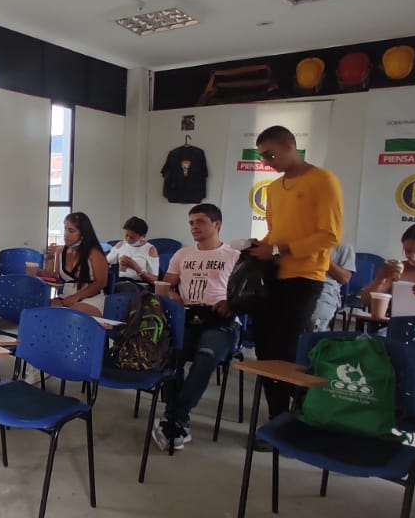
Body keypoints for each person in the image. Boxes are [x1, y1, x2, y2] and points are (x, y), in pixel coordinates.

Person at [245, 125, 343, 441]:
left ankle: (300, 416)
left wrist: (278, 249)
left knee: (286, 349)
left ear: (290, 145)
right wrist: (260, 247)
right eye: (262, 157)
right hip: (273, 277)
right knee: (264, 349)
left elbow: (329, 235)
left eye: (270, 155)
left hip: (305, 277)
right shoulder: (274, 189)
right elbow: (275, 233)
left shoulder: (323, 180)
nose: (267, 162)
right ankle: (277, 417)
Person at [152, 203, 240, 451]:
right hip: (188, 318)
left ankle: (176, 417)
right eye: (191, 223)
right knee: (170, 354)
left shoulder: (233, 256)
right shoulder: (183, 255)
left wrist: (232, 303)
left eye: (200, 221)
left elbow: (244, 294)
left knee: (206, 355)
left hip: (219, 320)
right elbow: (166, 285)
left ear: (216, 224)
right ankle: (175, 418)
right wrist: (172, 295)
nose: (194, 227)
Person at [360, 222, 415, 304]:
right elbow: (365, 300)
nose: (413, 257)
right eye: (408, 251)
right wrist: (379, 280)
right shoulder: (398, 269)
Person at [44, 212, 109, 317]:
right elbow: (56, 276)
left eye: (71, 231)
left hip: (91, 298)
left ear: (83, 233)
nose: (66, 234)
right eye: (65, 229)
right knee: (43, 309)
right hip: (67, 297)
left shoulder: (94, 253)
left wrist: (76, 297)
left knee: (70, 314)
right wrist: (50, 257)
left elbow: (101, 283)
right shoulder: (60, 251)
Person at [106, 216, 161, 293]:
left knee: (130, 288)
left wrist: (135, 267)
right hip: (122, 282)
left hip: (142, 285)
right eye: (126, 235)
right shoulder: (121, 244)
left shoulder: (150, 249)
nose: (128, 239)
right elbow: (106, 262)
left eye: (132, 237)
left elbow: (154, 279)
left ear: (143, 236)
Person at [311, 243, 356, 332]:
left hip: (325, 288)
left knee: (315, 322)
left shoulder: (344, 247)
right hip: (298, 283)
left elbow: (345, 278)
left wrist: (324, 258)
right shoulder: (301, 241)